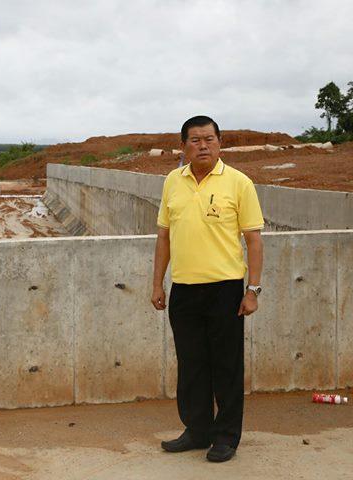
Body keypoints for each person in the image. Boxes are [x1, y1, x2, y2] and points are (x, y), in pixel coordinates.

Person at [151, 115, 264, 463]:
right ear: (183, 146)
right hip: (184, 289)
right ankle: (197, 430)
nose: (203, 146)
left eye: (209, 139)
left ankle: (226, 437)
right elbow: (164, 236)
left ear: (220, 143)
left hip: (225, 290)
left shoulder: (239, 183)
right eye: (196, 140)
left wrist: (253, 290)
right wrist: (157, 283)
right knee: (192, 365)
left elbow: (254, 240)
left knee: (226, 367)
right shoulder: (172, 182)